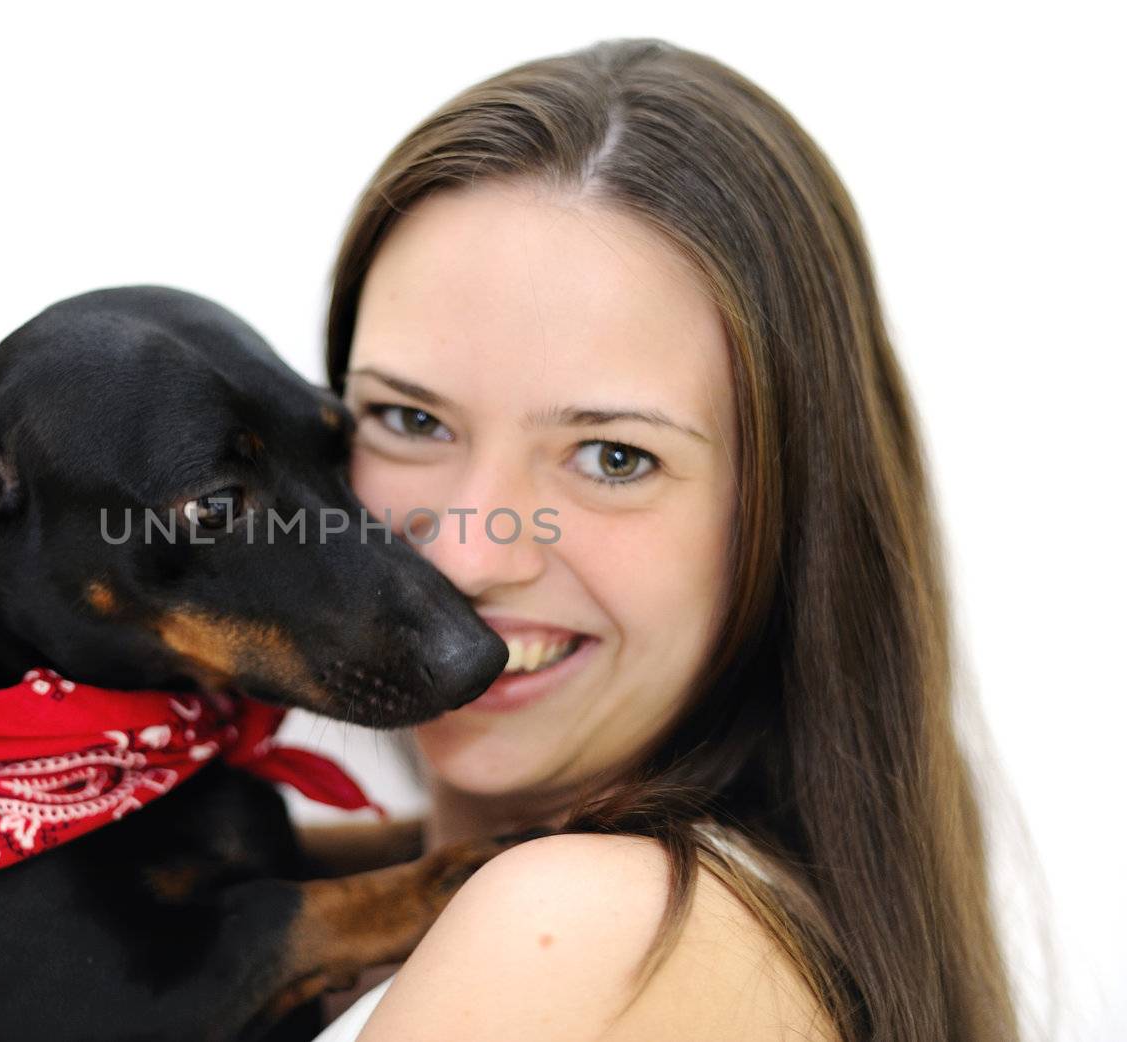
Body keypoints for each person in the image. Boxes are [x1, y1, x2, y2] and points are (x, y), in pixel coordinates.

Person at [305, 37, 1019, 1042]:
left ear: (786, 513)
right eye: (411, 421)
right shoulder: (311, 893)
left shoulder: (591, 932)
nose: (467, 553)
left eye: (611, 458)